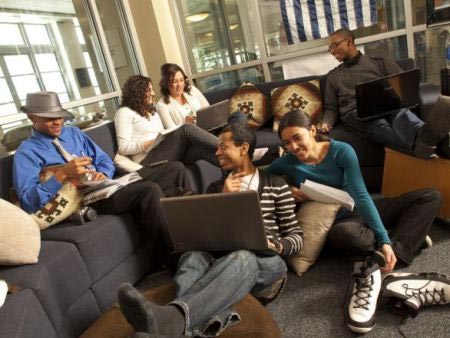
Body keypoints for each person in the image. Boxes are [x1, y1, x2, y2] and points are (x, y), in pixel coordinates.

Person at [117, 123, 303, 337]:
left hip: (265, 266)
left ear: (243, 149)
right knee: (192, 256)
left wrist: (277, 245)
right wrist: (223, 199)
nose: (216, 152)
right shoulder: (215, 188)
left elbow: (296, 236)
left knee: (242, 257)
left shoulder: (276, 184)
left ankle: (170, 318)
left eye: (223, 147)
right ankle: (178, 326)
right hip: (220, 263)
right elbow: (207, 234)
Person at [267, 110, 442, 334]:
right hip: (342, 222)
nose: (292, 147)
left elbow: (361, 196)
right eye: (286, 142)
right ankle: (406, 240)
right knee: (346, 235)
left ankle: (390, 252)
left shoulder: (341, 150)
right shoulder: (287, 162)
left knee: (431, 197)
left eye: (297, 138)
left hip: (363, 206)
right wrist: (285, 188)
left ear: (312, 131)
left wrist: (384, 241)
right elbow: (261, 177)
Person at [13, 91, 172, 260]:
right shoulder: (26, 153)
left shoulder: (73, 133)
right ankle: (171, 257)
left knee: (172, 169)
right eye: (49, 118)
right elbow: (28, 201)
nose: (58, 121)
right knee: (149, 190)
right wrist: (63, 174)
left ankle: (188, 233)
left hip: (106, 184)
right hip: (85, 199)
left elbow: (103, 159)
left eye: (59, 115)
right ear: (31, 117)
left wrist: (102, 174)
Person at [317, 28, 440, 159]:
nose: (332, 51)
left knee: (401, 115)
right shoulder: (333, 77)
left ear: (349, 42)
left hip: (387, 106)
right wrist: (326, 123)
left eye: (334, 45)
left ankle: (428, 138)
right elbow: (331, 108)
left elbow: (403, 84)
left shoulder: (379, 62)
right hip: (356, 115)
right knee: (381, 127)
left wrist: (401, 99)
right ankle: (433, 145)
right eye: (330, 48)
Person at [115, 75, 221, 195]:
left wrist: (162, 138)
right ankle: (227, 146)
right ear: (137, 92)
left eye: (152, 90)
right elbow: (123, 148)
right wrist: (150, 143)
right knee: (186, 129)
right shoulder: (124, 113)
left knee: (199, 149)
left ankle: (236, 168)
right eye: (148, 90)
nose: (153, 93)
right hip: (147, 160)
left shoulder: (153, 112)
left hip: (164, 153)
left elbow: (164, 134)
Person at [156, 63, 209, 129]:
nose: (179, 85)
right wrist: (185, 124)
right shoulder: (161, 105)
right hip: (188, 137)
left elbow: (208, 109)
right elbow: (172, 132)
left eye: (181, 80)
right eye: (174, 82)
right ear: (166, 84)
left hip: (206, 128)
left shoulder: (192, 90)